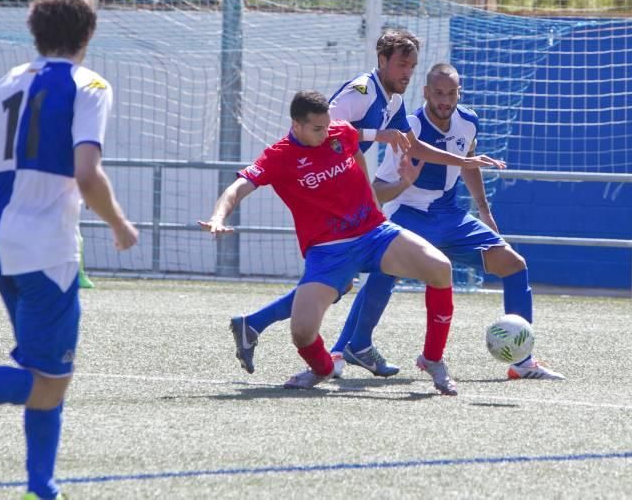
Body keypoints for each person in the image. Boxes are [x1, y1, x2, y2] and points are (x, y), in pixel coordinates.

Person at [0, 0, 138, 500]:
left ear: (35, 31)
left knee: (43, 371)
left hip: (1, 244)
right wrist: (120, 226)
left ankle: (41, 488)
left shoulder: (0, 85)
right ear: (88, 34)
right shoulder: (89, 84)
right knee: (49, 381)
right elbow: (87, 173)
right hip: (47, 248)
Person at [227, 30, 504, 376]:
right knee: (342, 281)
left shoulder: (394, 101)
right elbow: (322, 128)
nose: (407, 72)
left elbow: (411, 145)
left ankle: (270, 329)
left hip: (347, 200)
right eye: (402, 64)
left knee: (343, 282)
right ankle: (342, 350)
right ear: (382, 61)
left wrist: (462, 161)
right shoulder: (360, 92)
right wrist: (377, 135)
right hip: (321, 199)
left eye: (412, 66)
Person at [333, 63, 564, 380]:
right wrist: (401, 186)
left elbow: (469, 163)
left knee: (513, 263)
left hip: (453, 216)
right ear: (426, 92)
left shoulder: (469, 121)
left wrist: (484, 209)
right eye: (438, 93)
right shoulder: (409, 127)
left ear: (459, 93)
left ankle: (522, 362)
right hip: (410, 215)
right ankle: (342, 350)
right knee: (384, 272)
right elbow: (379, 191)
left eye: (451, 93)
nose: (444, 100)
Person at [0, 157, 96, 289]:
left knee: (70, 227)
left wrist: (85, 193)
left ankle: (78, 273)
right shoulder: (1, 144)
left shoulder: (43, 148)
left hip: (31, 202)